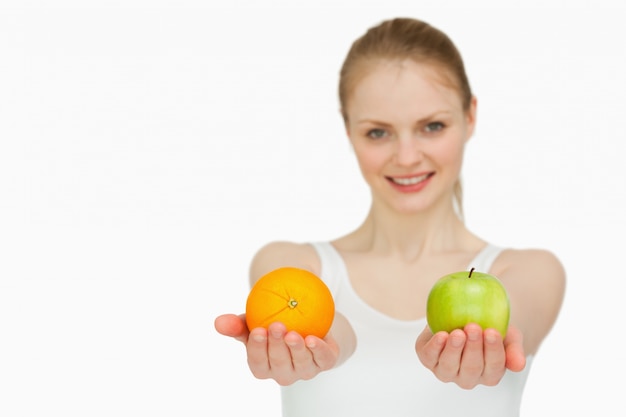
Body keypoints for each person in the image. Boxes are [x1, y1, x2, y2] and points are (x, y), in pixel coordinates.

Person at [214, 17, 565, 417]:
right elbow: (333, 328)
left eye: (432, 126)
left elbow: (512, 321)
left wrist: (484, 342)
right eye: (378, 132)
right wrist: (323, 348)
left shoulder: (532, 270)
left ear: (470, 117)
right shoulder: (288, 262)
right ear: (348, 131)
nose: (407, 157)